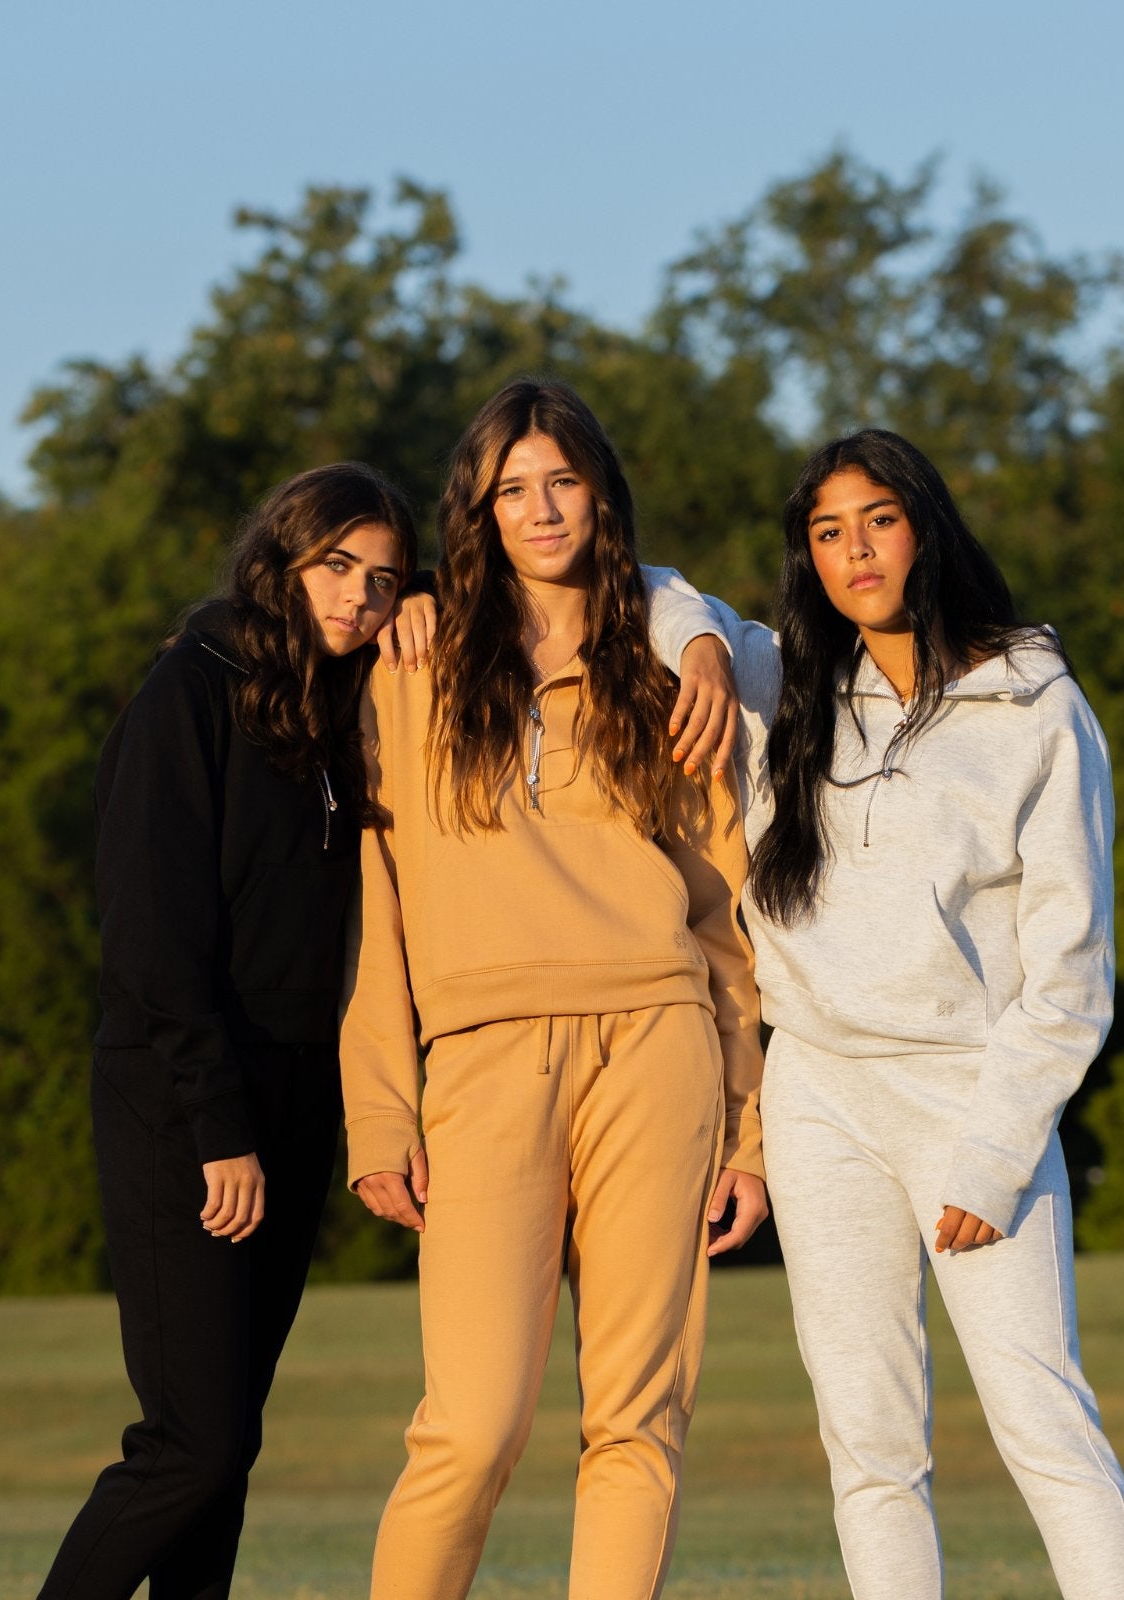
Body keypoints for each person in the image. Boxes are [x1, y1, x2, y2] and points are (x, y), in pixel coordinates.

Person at [657, 429, 1124, 1599]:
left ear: (924, 525)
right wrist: (694, 644)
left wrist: (993, 1153)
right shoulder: (781, 682)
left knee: (1041, 1416)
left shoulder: (1035, 705)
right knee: (868, 1442)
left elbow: (1071, 967)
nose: (853, 550)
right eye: (825, 533)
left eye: (874, 519)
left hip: (971, 1096)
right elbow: (646, 588)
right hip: (819, 1089)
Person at [342, 378, 767, 1600]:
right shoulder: (411, 660)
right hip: (480, 1059)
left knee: (635, 1421)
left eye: (562, 482)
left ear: (599, 494)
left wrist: (750, 1131)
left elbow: (723, 917)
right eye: (511, 489)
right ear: (476, 509)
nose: (540, 509)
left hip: (659, 1046)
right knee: (467, 1426)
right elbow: (372, 911)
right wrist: (379, 1110)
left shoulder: (665, 661)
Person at [38, 462, 421, 1600]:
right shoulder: (190, 692)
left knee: (228, 1449)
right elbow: (149, 944)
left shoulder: (335, 706)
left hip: (296, 1101)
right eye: (336, 566)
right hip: (185, 1105)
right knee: (187, 1445)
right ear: (282, 558)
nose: (358, 597)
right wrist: (217, 1127)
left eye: (385, 580)